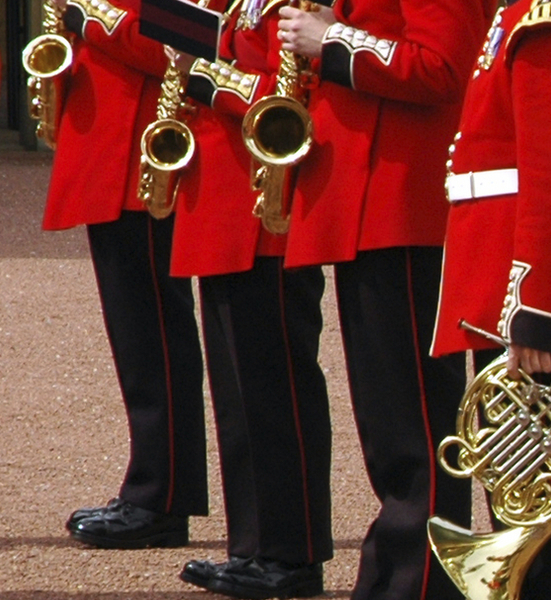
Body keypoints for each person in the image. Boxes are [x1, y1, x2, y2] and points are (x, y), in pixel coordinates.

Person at [274, 0, 489, 595]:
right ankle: (403, 568)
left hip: (404, 201)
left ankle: (419, 579)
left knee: (415, 422)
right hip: (367, 200)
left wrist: (334, 40)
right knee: (387, 418)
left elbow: (444, 66)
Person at [428, 0, 551, 596]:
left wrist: (534, 312)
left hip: (528, 291)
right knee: (519, 490)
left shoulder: (550, 24)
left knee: (546, 501)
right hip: (499, 283)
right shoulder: (519, 19)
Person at [168, 3, 335, 596]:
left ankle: (292, 551)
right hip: (224, 201)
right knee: (239, 394)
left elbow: (298, 92)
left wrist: (210, 80)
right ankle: (254, 546)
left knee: (276, 389)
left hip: (269, 209)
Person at [45, 0, 211, 551]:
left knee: (155, 335)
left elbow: (180, 44)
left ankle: (160, 495)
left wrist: (84, 14)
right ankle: (153, 485)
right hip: (110, 148)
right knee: (138, 337)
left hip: (148, 150)